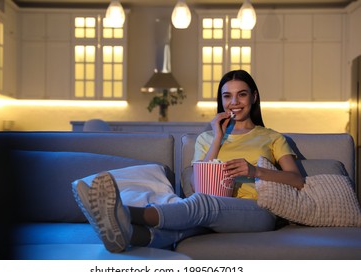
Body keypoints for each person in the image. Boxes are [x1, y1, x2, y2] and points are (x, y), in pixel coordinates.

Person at [73, 70, 305, 253]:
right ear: (221, 100)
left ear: (253, 97)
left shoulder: (272, 137)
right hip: (215, 206)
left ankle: (121, 212)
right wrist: (216, 137)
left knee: (202, 204)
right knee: (183, 231)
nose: (234, 101)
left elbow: (297, 180)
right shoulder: (206, 138)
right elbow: (196, 181)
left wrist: (255, 171)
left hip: (257, 211)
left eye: (242, 94)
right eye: (227, 95)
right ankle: (125, 236)